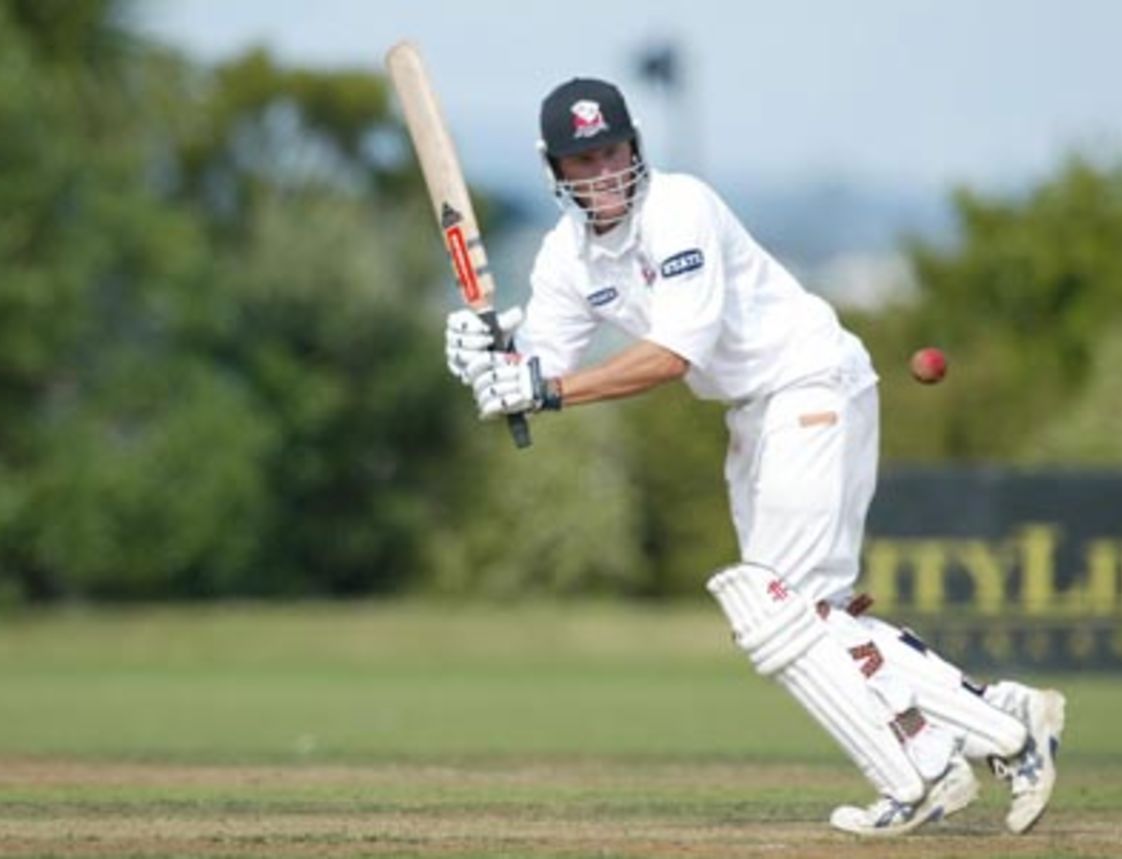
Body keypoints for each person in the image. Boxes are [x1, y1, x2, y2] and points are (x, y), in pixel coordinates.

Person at [443, 77, 1065, 836]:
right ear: (556, 170)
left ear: (635, 145)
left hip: (810, 383)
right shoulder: (565, 259)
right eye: (584, 160)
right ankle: (997, 719)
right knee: (805, 620)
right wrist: (496, 358)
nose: (604, 172)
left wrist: (540, 390)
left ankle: (928, 769)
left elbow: (672, 355)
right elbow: (540, 363)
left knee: (777, 612)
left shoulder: (680, 209)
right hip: (754, 411)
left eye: (612, 151)